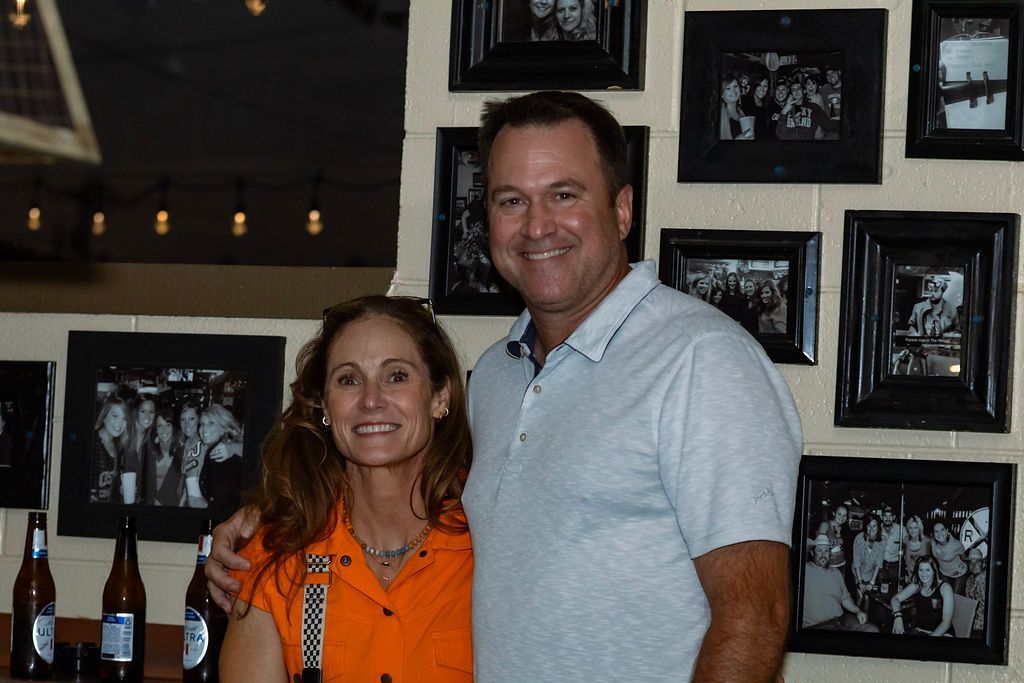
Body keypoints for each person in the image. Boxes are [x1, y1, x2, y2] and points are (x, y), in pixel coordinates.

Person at [209, 91, 802, 680]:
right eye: (512, 200)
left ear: (622, 210)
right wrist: (271, 517)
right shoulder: (498, 373)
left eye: (564, 195)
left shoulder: (701, 359)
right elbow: (405, 473)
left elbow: (755, 617)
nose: (537, 226)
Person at [219, 296, 472, 681]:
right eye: (348, 380)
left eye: (397, 376)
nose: (371, 400)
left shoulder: (488, 541)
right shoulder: (277, 556)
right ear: (325, 405)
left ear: (440, 397)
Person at [803, 535, 878, 632]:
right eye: (819, 550)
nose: (823, 554)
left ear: (830, 554)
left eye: (826, 551)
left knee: (872, 629)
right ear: (812, 553)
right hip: (818, 625)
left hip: (841, 620)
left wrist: (858, 611)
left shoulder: (836, 572)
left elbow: (845, 598)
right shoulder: (805, 569)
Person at [891, 556, 954, 636]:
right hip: (921, 630)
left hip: (942, 633)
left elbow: (946, 623)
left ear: (934, 571)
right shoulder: (917, 585)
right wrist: (898, 616)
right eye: (921, 570)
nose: (924, 574)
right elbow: (895, 599)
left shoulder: (945, 588)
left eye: (927, 570)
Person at [144, 406, 185, 506]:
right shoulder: (150, 452)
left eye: (168, 425)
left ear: (173, 427)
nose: (164, 430)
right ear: (156, 429)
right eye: (160, 426)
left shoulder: (182, 451)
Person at [90, 397, 128, 503]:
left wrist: (120, 490)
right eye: (115, 416)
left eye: (124, 418)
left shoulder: (118, 446)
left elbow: (110, 484)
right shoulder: (93, 442)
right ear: (104, 417)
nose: (120, 423)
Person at [121, 396, 156, 504]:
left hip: (139, 503)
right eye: (143, 411)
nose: (147, 416)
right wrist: (117, 484)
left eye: (151, 412)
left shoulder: (151, 442)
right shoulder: (123, 434)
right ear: (136, 412)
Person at [851, 514, 884, 604]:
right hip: (858, 571)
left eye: (874, 526)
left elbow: (878, 562)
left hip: (870, 572)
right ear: (866, 526)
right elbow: (856, 561)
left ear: (878, 527)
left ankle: (865, 613)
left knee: (867, 598)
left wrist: (872, 582)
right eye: (869, 525)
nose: (871, 529)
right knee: (860, 597)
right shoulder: (859, 538)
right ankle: (857, 612)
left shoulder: (882, 541)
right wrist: (860, 581)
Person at [931, 519, 968, 595]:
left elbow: (964, 558)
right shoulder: (932, 543)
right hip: (943, 573)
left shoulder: (956, 544)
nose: (940, 534)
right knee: (944, 596)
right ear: (933, 534)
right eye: (936, 531)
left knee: (955, 597)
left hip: (958, 574)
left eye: (942, 530)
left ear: (947, 530)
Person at [877, 505, 905, 592]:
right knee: (881, 591)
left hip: (896, 566)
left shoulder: (901, 529)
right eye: (885, 516)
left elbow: (907, 545)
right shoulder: (877, 528)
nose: (887, 518)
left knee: (894, 590)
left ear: (894, 517)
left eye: (890, 516)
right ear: (881, 517)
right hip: (880, 565)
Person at [719, 75, 754, 140]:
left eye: (735, 86)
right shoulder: (723, 111)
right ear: (722, 94)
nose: (733, 91)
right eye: (728, 88)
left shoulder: (739, 110)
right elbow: (723, 143)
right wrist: (737, 139)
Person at [964, 547, 987, 638]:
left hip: (982, 626)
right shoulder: (969, 580)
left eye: (977, 562)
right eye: (971, 562)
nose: (973, 565)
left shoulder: (987, 581)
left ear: (983, 564)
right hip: (970, 622)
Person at [902, 514, 932, 586]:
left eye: (915, 528)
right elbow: (905, 560)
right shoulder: (905, 540)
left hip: (924, 574)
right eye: (910, 528)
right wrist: (906, 575)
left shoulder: (927, 541)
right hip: (910, 573)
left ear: (919, 529)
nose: (913, 531)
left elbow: (928, 561)